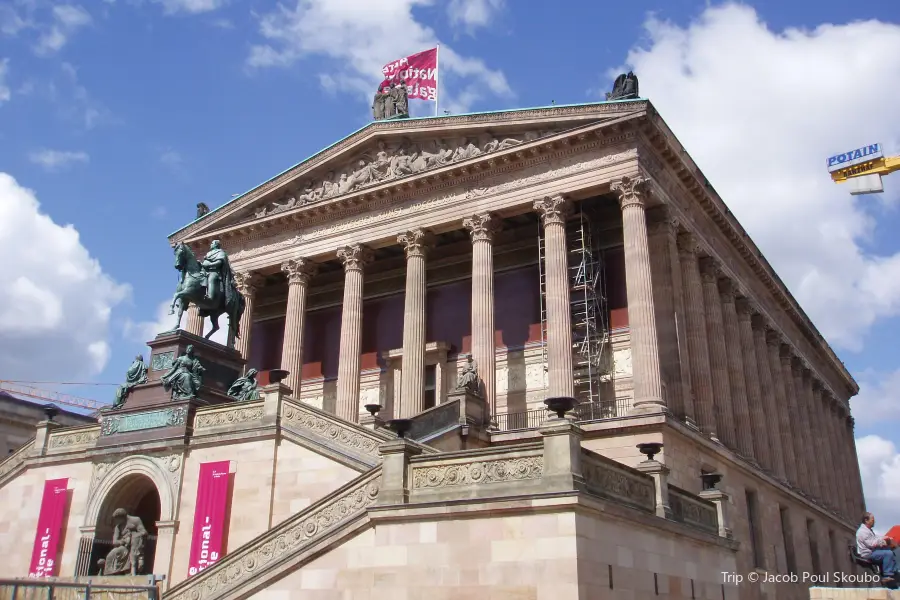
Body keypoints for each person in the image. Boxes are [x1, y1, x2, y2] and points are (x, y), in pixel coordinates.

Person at [857, 512, 896, 580]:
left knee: (889, 551)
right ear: (866, 520)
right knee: (888, 554)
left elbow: (876, 538)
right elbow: (871, 543)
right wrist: (882, 542)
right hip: (868, 554)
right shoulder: (862, 532)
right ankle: (887, 575)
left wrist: (886, 538)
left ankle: (891, 572)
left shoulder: (868, 530)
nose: (874, 521)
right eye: (872, 520)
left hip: (872, 552)